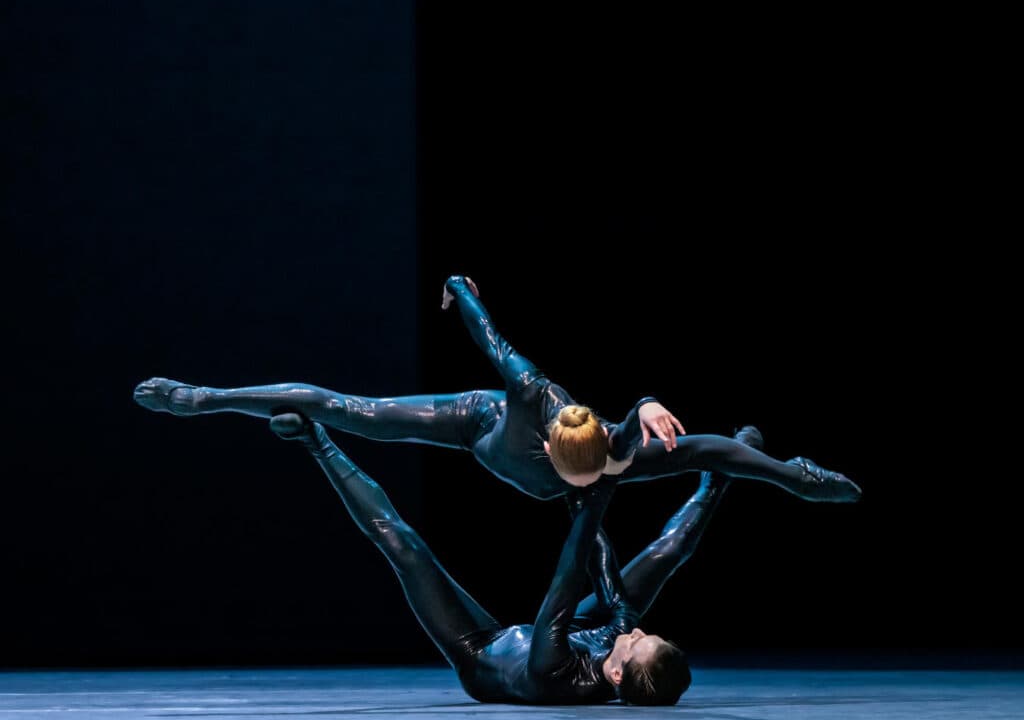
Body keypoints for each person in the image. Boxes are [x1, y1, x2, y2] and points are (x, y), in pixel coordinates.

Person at [134, 275, 861, 504]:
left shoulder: (623, 449)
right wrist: (459, 288)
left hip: (597, 439)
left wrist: (643, 403)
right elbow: (489, 337)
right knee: (340, 407)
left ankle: (796, 474)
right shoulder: (528, 397)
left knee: (712, 452)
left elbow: (706, 448)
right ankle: (205, 395)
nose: (575, 483)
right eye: (567, 473)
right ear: (548, 443)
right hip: (474, 425)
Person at [263, 410, 762, 705]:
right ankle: (720, 473)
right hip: (569, 632)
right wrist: (582, 483)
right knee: (664, 553)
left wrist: (595, 494)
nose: (634, 631)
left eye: (635, 643)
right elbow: (599, 562)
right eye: (644, 634)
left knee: (404, 546)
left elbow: (565, 584)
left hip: (483, 652)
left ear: (615, 675)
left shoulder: (556, 674)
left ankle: (317, 442)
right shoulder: (617, 642)